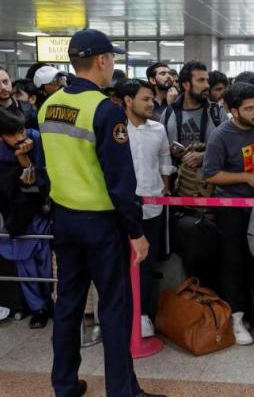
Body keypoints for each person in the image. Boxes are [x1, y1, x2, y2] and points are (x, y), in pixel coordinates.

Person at [37, 28, 163, 397]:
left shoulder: (48, 105)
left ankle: (64, 384)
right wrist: (136, 232)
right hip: (102, 225)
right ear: (103, 60)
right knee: (114, 308)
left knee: (68, 304)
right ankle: (122, 391)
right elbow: (121, 181)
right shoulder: (105, 111)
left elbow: (45, 167)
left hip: (65, 219)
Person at [203, 82, 254, 346]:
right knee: (233, 263)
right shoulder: (221, 136)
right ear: (233, 110)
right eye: (249, 108)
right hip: (231, 209)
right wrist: (246, 177)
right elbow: (211, 174)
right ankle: (236, 318)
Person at [117, 79, 174, 337]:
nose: (151, 104)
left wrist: (164, 185)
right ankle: (121, 315)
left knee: (147, 264)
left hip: (152, 205)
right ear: (128, 100)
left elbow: (164, 158)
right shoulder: (116, 129)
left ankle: (144, 316)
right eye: (145, 99)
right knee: (119, 263)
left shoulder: (158, 129)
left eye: (152, 99)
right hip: (122, 207)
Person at [0, 108, 53, 329]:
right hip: (16, 214)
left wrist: (25, 161)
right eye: (12, 134)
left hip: (43, 210)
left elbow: (43, 180)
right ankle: (38, 307)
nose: (20, 137)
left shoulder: (38, 140)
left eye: (21, 130)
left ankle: (54, 303)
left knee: (48, 262)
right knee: (26, 265)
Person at [161, 60, 226, 149]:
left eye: (207, 81)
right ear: (186, 85)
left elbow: (228, 146)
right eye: (201, 80)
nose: (207, 85)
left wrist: (204, 155)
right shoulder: (168, 113)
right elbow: (161, 149)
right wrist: (172, 152)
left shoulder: (217, 112)